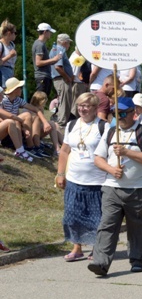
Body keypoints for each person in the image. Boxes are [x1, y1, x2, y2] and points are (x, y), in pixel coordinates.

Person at [89, 97, 142, 276]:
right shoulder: (111, 132)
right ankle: (101, 262)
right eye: (116, 113)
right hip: (112, 187)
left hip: (138, 189)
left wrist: (126, 152)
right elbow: (98, 158)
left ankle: (136, 260)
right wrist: (111, 169)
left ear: (134, 113)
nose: (120, 117)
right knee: (107, 225)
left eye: (124, 113)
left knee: (137, 226)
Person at [56, 93, 107, 261]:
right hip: (74, 179)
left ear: (95, 108)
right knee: (71, 215)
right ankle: (76, 247)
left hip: (97, 181)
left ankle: (96, 247)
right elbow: (64, 151)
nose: (82, 109)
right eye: (80, 106)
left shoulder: (104, 127)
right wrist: (60, 173)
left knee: (96, 217)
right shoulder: (71, 125)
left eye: (86, 106)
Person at [1, 77, 52, 158]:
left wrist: (45, 122)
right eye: (20, 88)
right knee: (27, 115)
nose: (22, 89)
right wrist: (23, 125)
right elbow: (5, 119)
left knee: (36, 117)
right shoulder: (3, 101)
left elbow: (35, 109)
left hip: (16, 126)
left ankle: (36, 145)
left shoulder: (18, 100)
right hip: (9, 130)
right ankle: (30, 146)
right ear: (15, 90)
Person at [50, 33, 74, 126]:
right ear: (64, 42)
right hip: (62, 79)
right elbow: (58, 67)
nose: (69, 45)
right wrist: (67, 77)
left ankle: (62, 121)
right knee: (64, 101)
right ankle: (62, 122)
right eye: (68, 43)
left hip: (61, 79)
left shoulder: (56, 49)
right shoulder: (60, 50)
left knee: (64, 100)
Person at [32, 22, 62, 97]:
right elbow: (38, 63)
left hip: (45, 76)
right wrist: (53, 60)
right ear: (45, 32)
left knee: (43, 99)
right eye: (50, 32)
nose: (51, 34)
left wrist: (53, 60)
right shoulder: (39, 44)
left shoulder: (41, 44)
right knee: (40, 99)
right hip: (42, 76)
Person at [0, 20, 18, 88]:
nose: (16, 35)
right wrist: (9, 56)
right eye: (15, 33)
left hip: (10, 72)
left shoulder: (12, 45)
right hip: (2, 73)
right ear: (9, 33)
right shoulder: (1, 45)